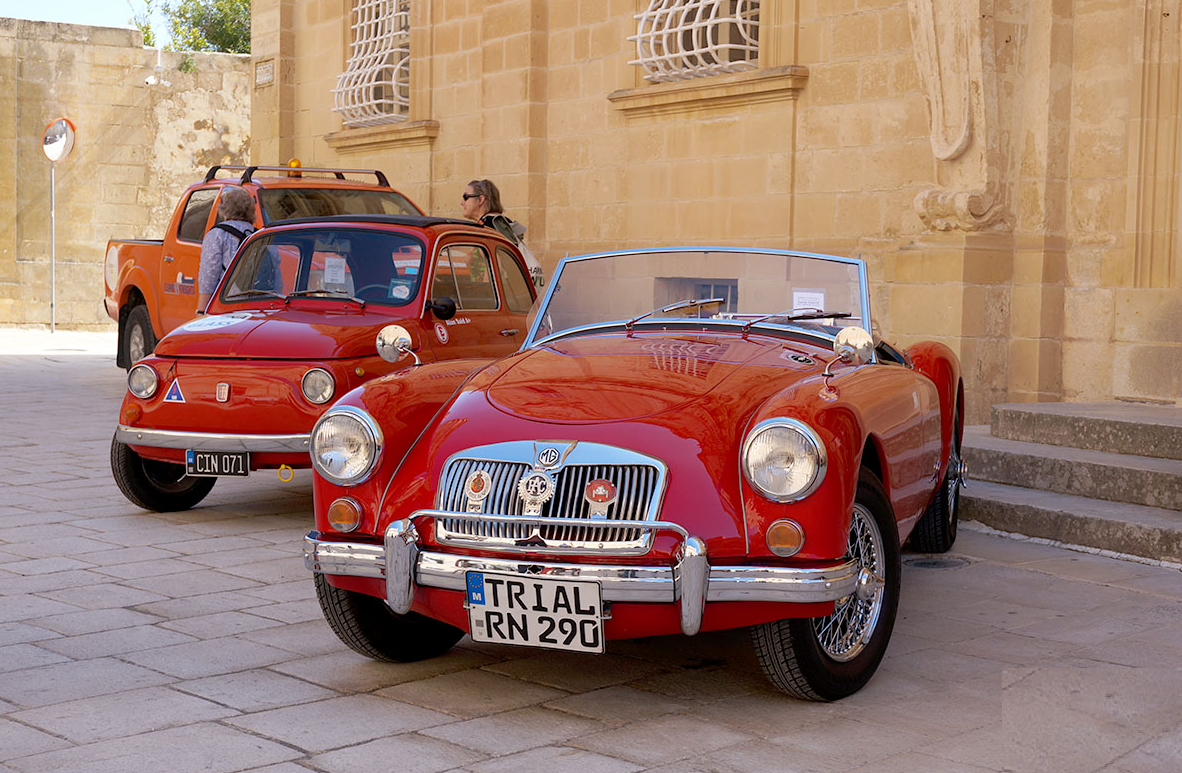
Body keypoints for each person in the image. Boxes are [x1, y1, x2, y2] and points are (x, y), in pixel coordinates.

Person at [461, 179, 544, 289]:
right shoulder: (501, 223)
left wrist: (487, 296)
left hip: (504, 298)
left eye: (466, 197)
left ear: (481, 199)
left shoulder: (487, 226)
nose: (462, 202)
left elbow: (494, 268)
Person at [196, 186, 257, 313]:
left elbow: (209, 275)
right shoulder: (259, 235)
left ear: (224, 210)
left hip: (227, 305)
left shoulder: (217, 234)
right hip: (257, 306)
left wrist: (202, 310)